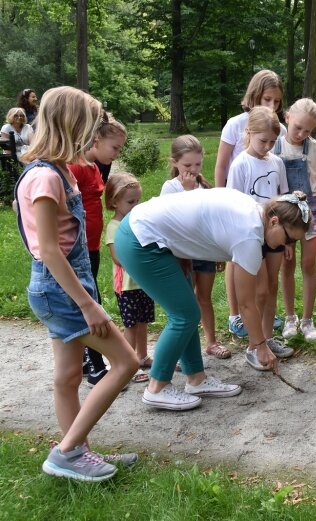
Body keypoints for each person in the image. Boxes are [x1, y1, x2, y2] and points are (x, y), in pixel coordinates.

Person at [14, 86, 137, 481]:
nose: (92, 135)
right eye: (89, 126)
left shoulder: (57, 170)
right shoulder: (46, 178)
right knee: (126, 362)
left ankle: (76, 452)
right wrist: (87, 303)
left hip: (59, 285)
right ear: (72, 126)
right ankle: (66, 452)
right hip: (61, 287)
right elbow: (49, 250)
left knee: (67, 378)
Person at [114, 188, 309, 409]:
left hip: (155, 237)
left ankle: (196, 378)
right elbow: (246, 303)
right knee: (185, 315)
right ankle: (157, 387)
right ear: (274, 221)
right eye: (288, 239)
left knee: (187, 312)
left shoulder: (253, 212)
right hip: (140, 239)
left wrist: (182, 248)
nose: (286, 246)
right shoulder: (249, 235)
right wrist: (260, 345)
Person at [213, 69, 285, 339]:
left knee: (266, 280)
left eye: (277, 102)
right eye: (267, 99)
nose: (272, 107)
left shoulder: (276, 135)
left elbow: (279, 181)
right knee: (240, 264)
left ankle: (263, 319)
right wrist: (221, 203)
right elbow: (222, 165)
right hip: (242, 215)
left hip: (269, 221)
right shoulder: (235, 124)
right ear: (254, 95)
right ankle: (238, 315)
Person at [227, 106, 294, 361]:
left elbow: (284, 199)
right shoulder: (240, 164)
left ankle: (267, 337)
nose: (267, 146)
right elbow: (233, 204)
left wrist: (286, 240)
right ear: (248, 133)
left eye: (271, 142)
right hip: (251, 236)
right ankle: (255, 344)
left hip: (276, 234)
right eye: (262, 140)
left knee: (271, 286)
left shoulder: (277, 163)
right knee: (260, 290)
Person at [67, 113, 127, 387]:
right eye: (114, 147)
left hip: (90, 245)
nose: (116, 154)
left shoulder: (93, 166)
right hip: (77, 248)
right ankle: (95, 365)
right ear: (96, 140)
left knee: (89, 298)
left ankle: (82, 360)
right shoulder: (76, 167)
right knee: (91, 300)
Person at [161, 135, 230, 360]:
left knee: (204, 298)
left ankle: (211, 342)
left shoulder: (204, 186)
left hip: (205, 251)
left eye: (197, 164)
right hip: (182, 255)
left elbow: (210, 220)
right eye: (187, 165)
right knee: (185, 303)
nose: (193, 170)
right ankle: (183, 351)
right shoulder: (170, 188)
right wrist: (188, 191)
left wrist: (218, 249)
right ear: (174, 163)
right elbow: (174, 219)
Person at [276, 98, 316, 342]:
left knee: (308, 265)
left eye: (307, 130)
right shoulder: (274, 147)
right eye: (298, 127)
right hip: (283, 217)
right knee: (286, 265)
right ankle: (290, 317)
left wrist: (312, 198)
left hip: (310, 213)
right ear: (287, 117)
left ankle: (307, 320)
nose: (301, 134)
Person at [104, 173, 153, 383]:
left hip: (142, 281)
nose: (135, 206)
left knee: (143, 322)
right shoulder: (114, 227)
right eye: (130, 201)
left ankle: (142, 356)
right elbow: (117, 257)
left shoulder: (136, 221)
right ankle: (128, 363)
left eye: (138, 201)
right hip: (126, 285)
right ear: (115, 201)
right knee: (131, 325)